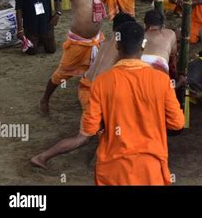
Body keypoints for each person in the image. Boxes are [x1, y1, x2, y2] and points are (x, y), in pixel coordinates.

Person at [80, 21, 185, 185]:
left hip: (113, 168)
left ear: (117, 48)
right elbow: (177, 123)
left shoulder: (101, 82)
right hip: (151, 167)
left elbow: (90, 128)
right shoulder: (161, 80)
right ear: (143, 46)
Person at [30, 13, 136, 169]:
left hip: (87, 86)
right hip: (96, 90)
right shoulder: (120, 47)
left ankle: (100, 153)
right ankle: (42, 157)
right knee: (85, 136)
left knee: (101, 128)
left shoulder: (104, 41)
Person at [39, 0, 105, 116]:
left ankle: (92, 98)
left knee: (98, 70)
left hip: (96, 38)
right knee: (62, 74)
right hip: (78, 40)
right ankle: (45, 99)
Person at [141, 10, 177, 77]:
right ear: (163, 26)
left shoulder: (139, 35)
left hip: (139, 66)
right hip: (160, 67)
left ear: (144, 25)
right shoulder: (170, 34)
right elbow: (173, 57)